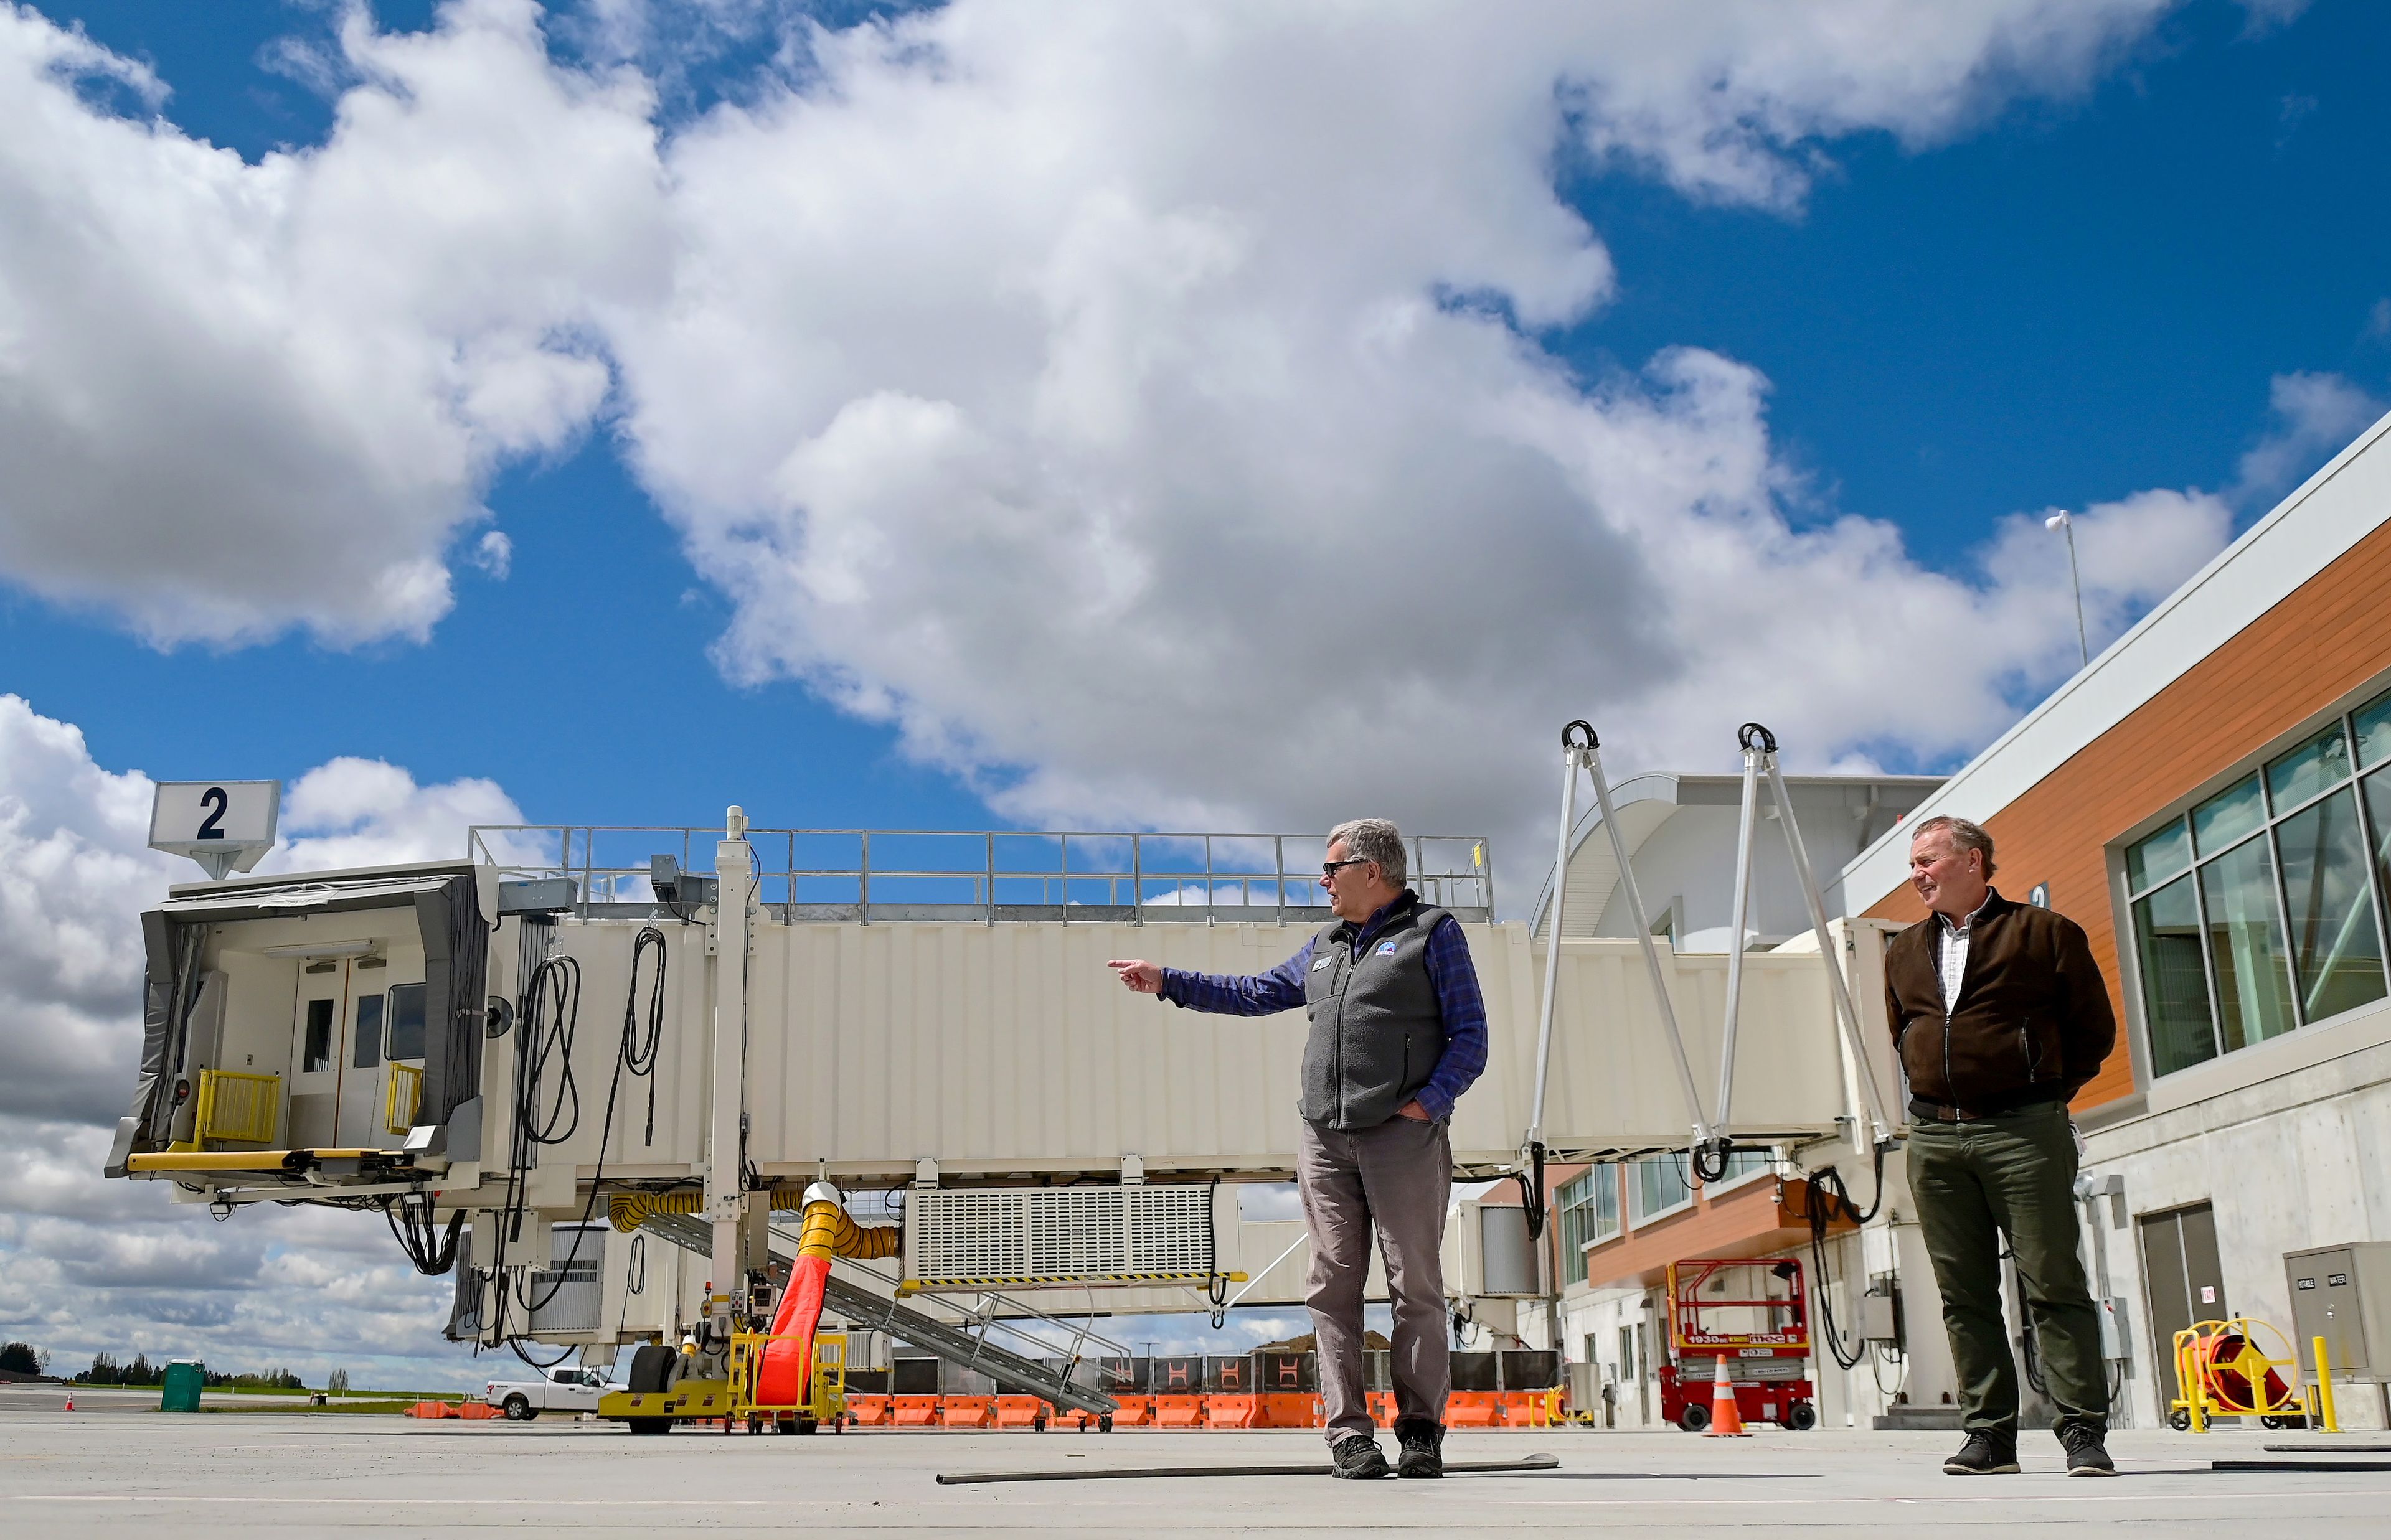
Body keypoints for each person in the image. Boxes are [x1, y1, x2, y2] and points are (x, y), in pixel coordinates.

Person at [1106, 817, 1486, 1480]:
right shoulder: (1325, 945)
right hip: (1325, 1137)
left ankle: (1421, 1430)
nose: (1322, 881)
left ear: (1372, 870)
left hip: (1402, 1136)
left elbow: (1470, 1036)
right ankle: (1349, 1435)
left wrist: (1430, 1101)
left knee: (1414, 1284)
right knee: (1332, 1284)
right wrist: (1169, 979)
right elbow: (1254, 991)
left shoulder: (1433, 932)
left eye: (1331, 868)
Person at [1887, 815, 2117, 1477]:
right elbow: (1904, 1032)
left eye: (1928, 859)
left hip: (2024, 1129)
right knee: (1964, 1293)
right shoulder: (1902, 950)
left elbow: (2092, 1029)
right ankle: (1990, 1434)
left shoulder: (2045, 933)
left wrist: (2042, 1092)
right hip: (1934, 1135)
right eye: (1914, 863)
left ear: (1974, 860)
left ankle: (2081, 1431)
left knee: (2053, 1281)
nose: (1917, 874)